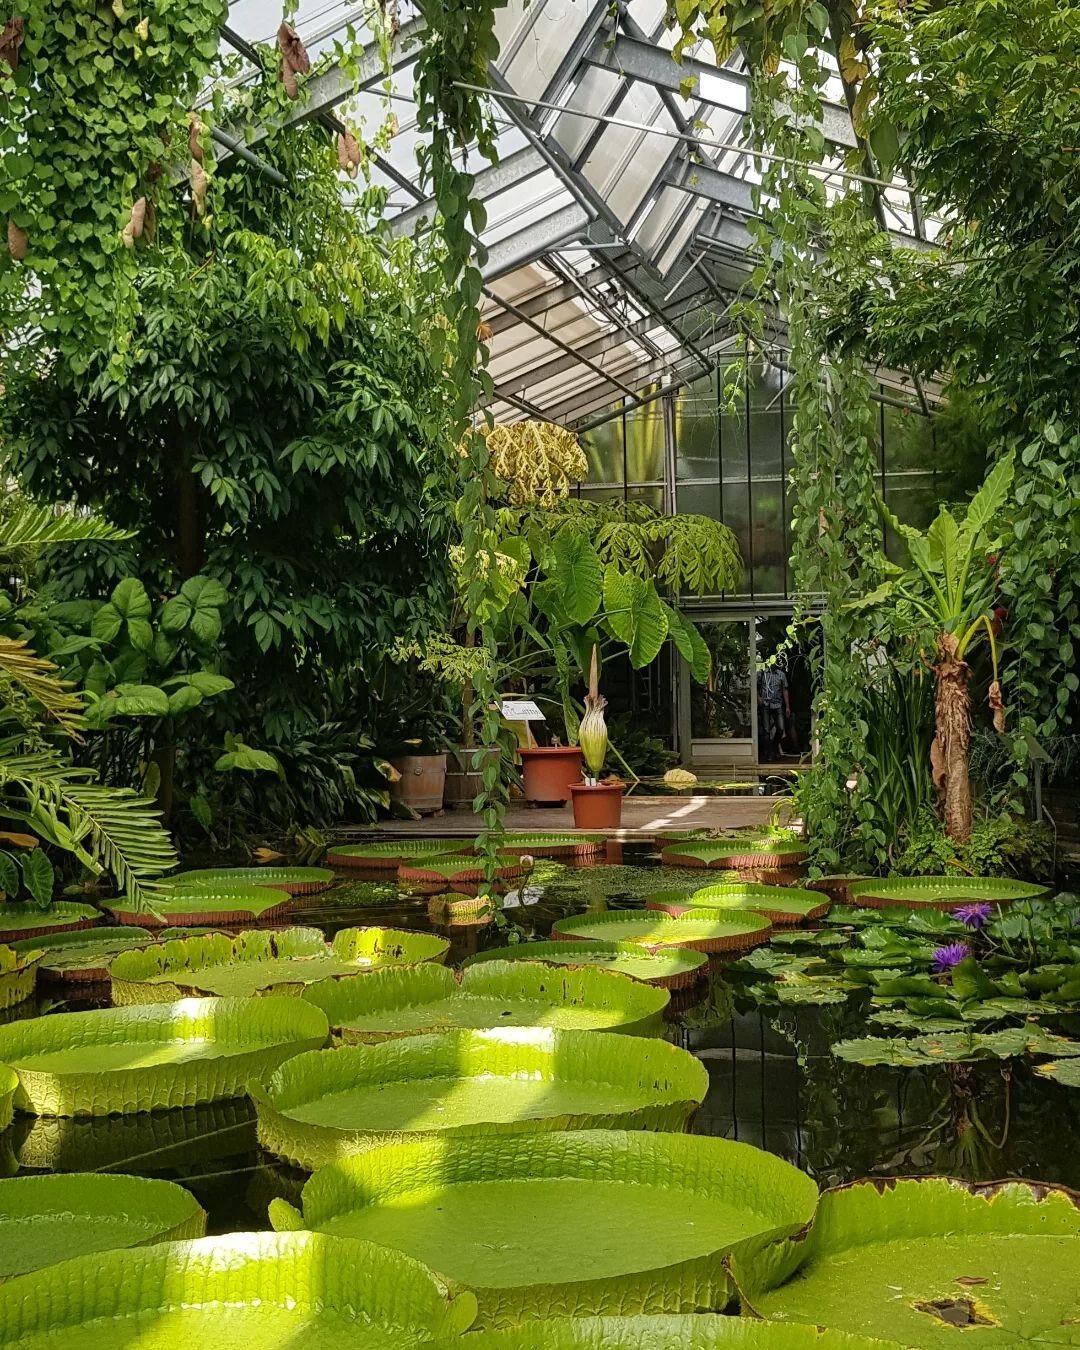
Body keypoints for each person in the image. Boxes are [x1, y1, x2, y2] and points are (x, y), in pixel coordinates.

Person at [758, 661, 791, 760]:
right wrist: (758, 698)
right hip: (765, 704)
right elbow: (755, 685)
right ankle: (768, 753)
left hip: (778, 704)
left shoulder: (781, 674)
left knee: (780, 728)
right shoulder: (762, 673)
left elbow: (785, 690)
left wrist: (787, 706)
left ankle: (775, 746)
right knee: (766, 730)